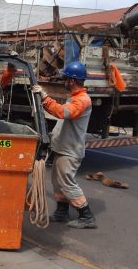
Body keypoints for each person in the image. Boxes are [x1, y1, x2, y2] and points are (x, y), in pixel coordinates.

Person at [32, 61, 96, 229]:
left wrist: (45, 97)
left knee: (66, 182)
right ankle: (62, 212)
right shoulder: (75, 98)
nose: (64, 82)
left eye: (66, 79)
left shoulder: (82, 100)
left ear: (72, 81)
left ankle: (86, 215)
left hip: (70, 150)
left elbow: (62, 113)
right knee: (57, 182)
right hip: (63, 147)